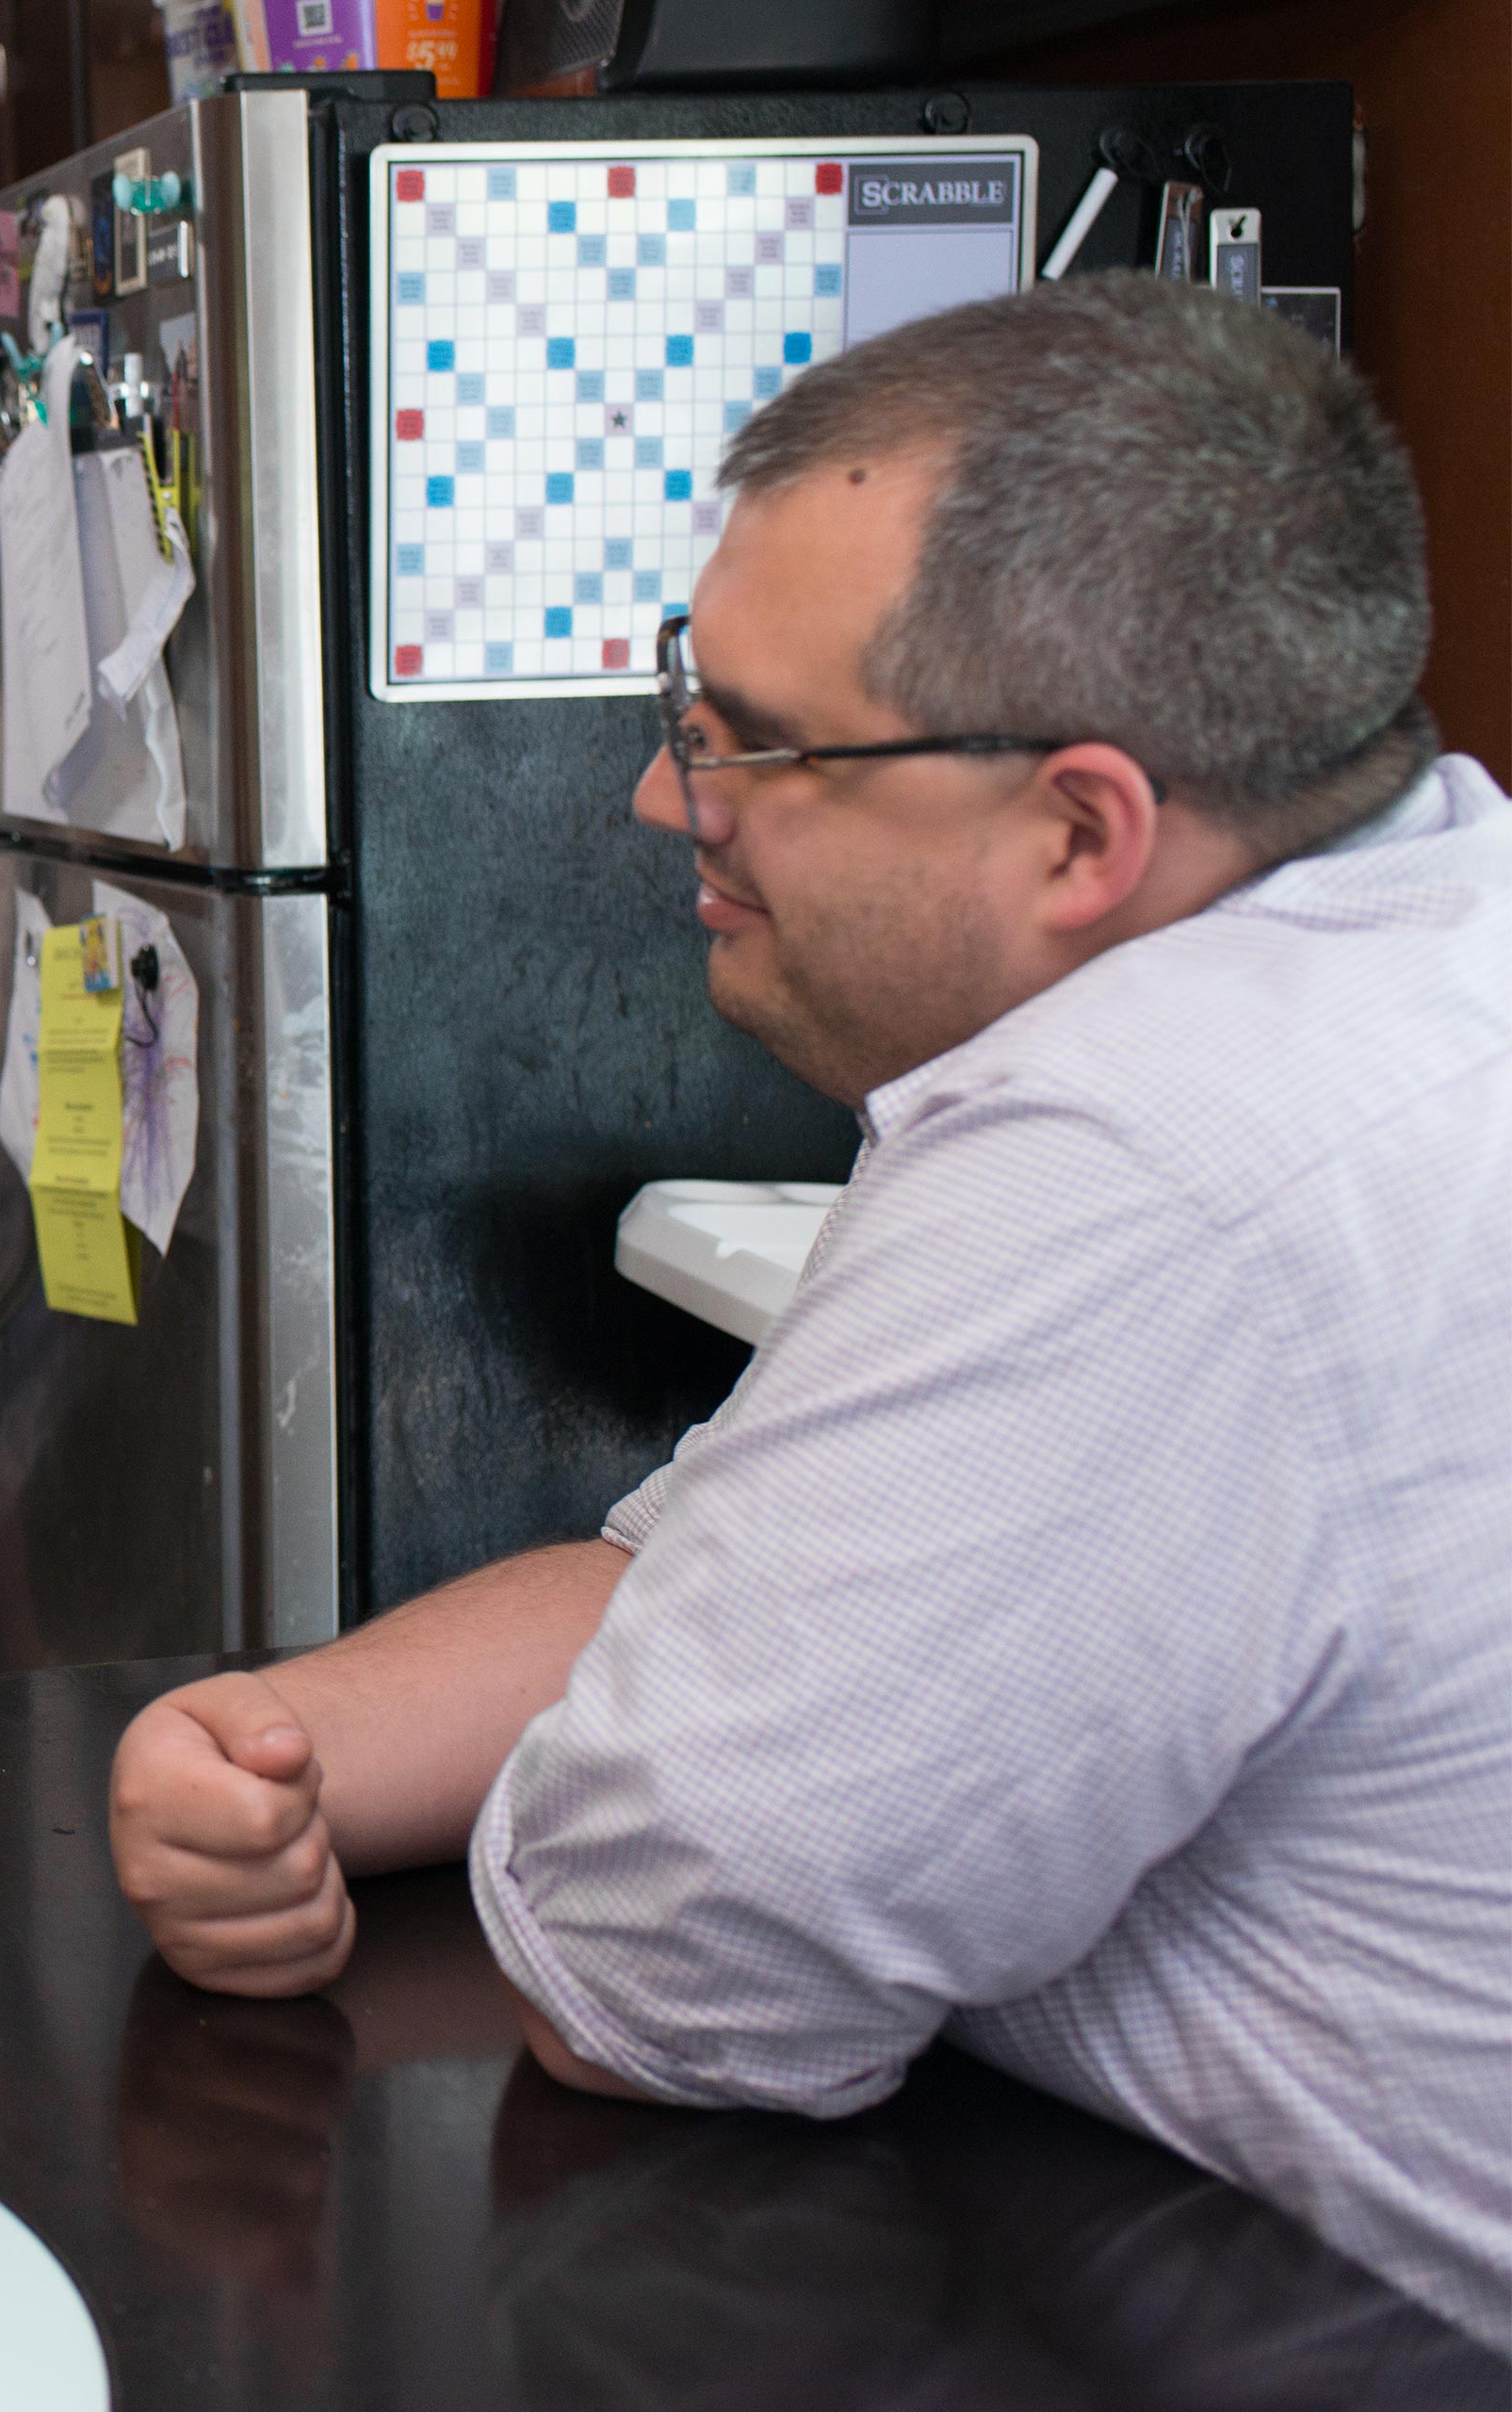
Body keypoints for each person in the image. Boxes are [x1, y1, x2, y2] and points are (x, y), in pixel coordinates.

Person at [107, 272, 1512, 2345]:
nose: (668, 801)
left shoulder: (1144, 1159)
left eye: (755, 743)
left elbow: (661, 1960)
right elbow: (729, 1573)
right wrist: (289, 1742)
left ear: (1079, 827)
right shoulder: (1410, 917)